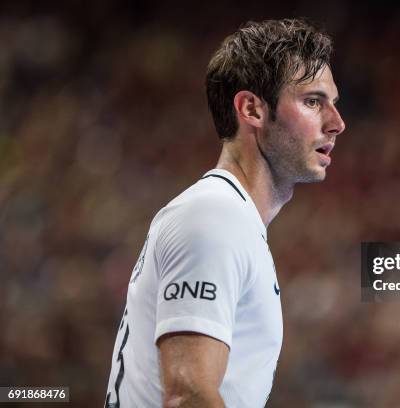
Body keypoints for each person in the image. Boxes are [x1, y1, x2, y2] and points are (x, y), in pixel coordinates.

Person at [105, 18, 345, 408]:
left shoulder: (232, 220)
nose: (337, 123)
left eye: (333, 103)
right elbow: (188, 395)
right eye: (313, 102)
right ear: (251, 108)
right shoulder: (215, 216)